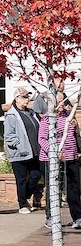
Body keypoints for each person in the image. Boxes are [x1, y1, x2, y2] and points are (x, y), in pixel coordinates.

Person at [38, 96, 81, 229]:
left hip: (71, 157)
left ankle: (78, 217)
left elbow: (75, 134)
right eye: (58, 101)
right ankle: (51, 217)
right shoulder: (47, 118)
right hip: (52, 159)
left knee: (73, 188)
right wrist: (54, 153)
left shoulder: (69, 116)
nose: (62, 104)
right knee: (53, 189)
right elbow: (42, 139)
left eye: (63, 101)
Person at [3, 87, 43, 214]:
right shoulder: (11, 115)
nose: (27, 100)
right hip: (19, 154)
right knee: (20, 180)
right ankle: (22, 205)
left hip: (34, 151)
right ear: (17, 99)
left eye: (28, 97)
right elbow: (9, 136)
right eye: (24, 97)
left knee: (36, 175)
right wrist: (20, 147)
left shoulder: (31, 113)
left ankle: (24, 197)